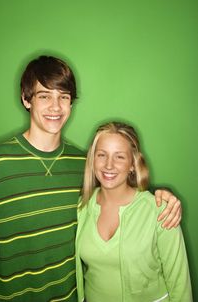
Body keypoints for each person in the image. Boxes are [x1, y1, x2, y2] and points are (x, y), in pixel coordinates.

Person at [0, 56, 181, 302]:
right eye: (45, 96)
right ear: (26, 100)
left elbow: (121, 193)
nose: (56, 107)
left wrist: (163, 197)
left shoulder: (84, 165)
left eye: (64, 97)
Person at [76, 121, 193, 302]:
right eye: (101, 155)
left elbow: (180, 283)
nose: (108, 165)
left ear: (132, 164)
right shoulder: (82, 207)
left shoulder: (161, 210)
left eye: (119, 157)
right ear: (92, 160)